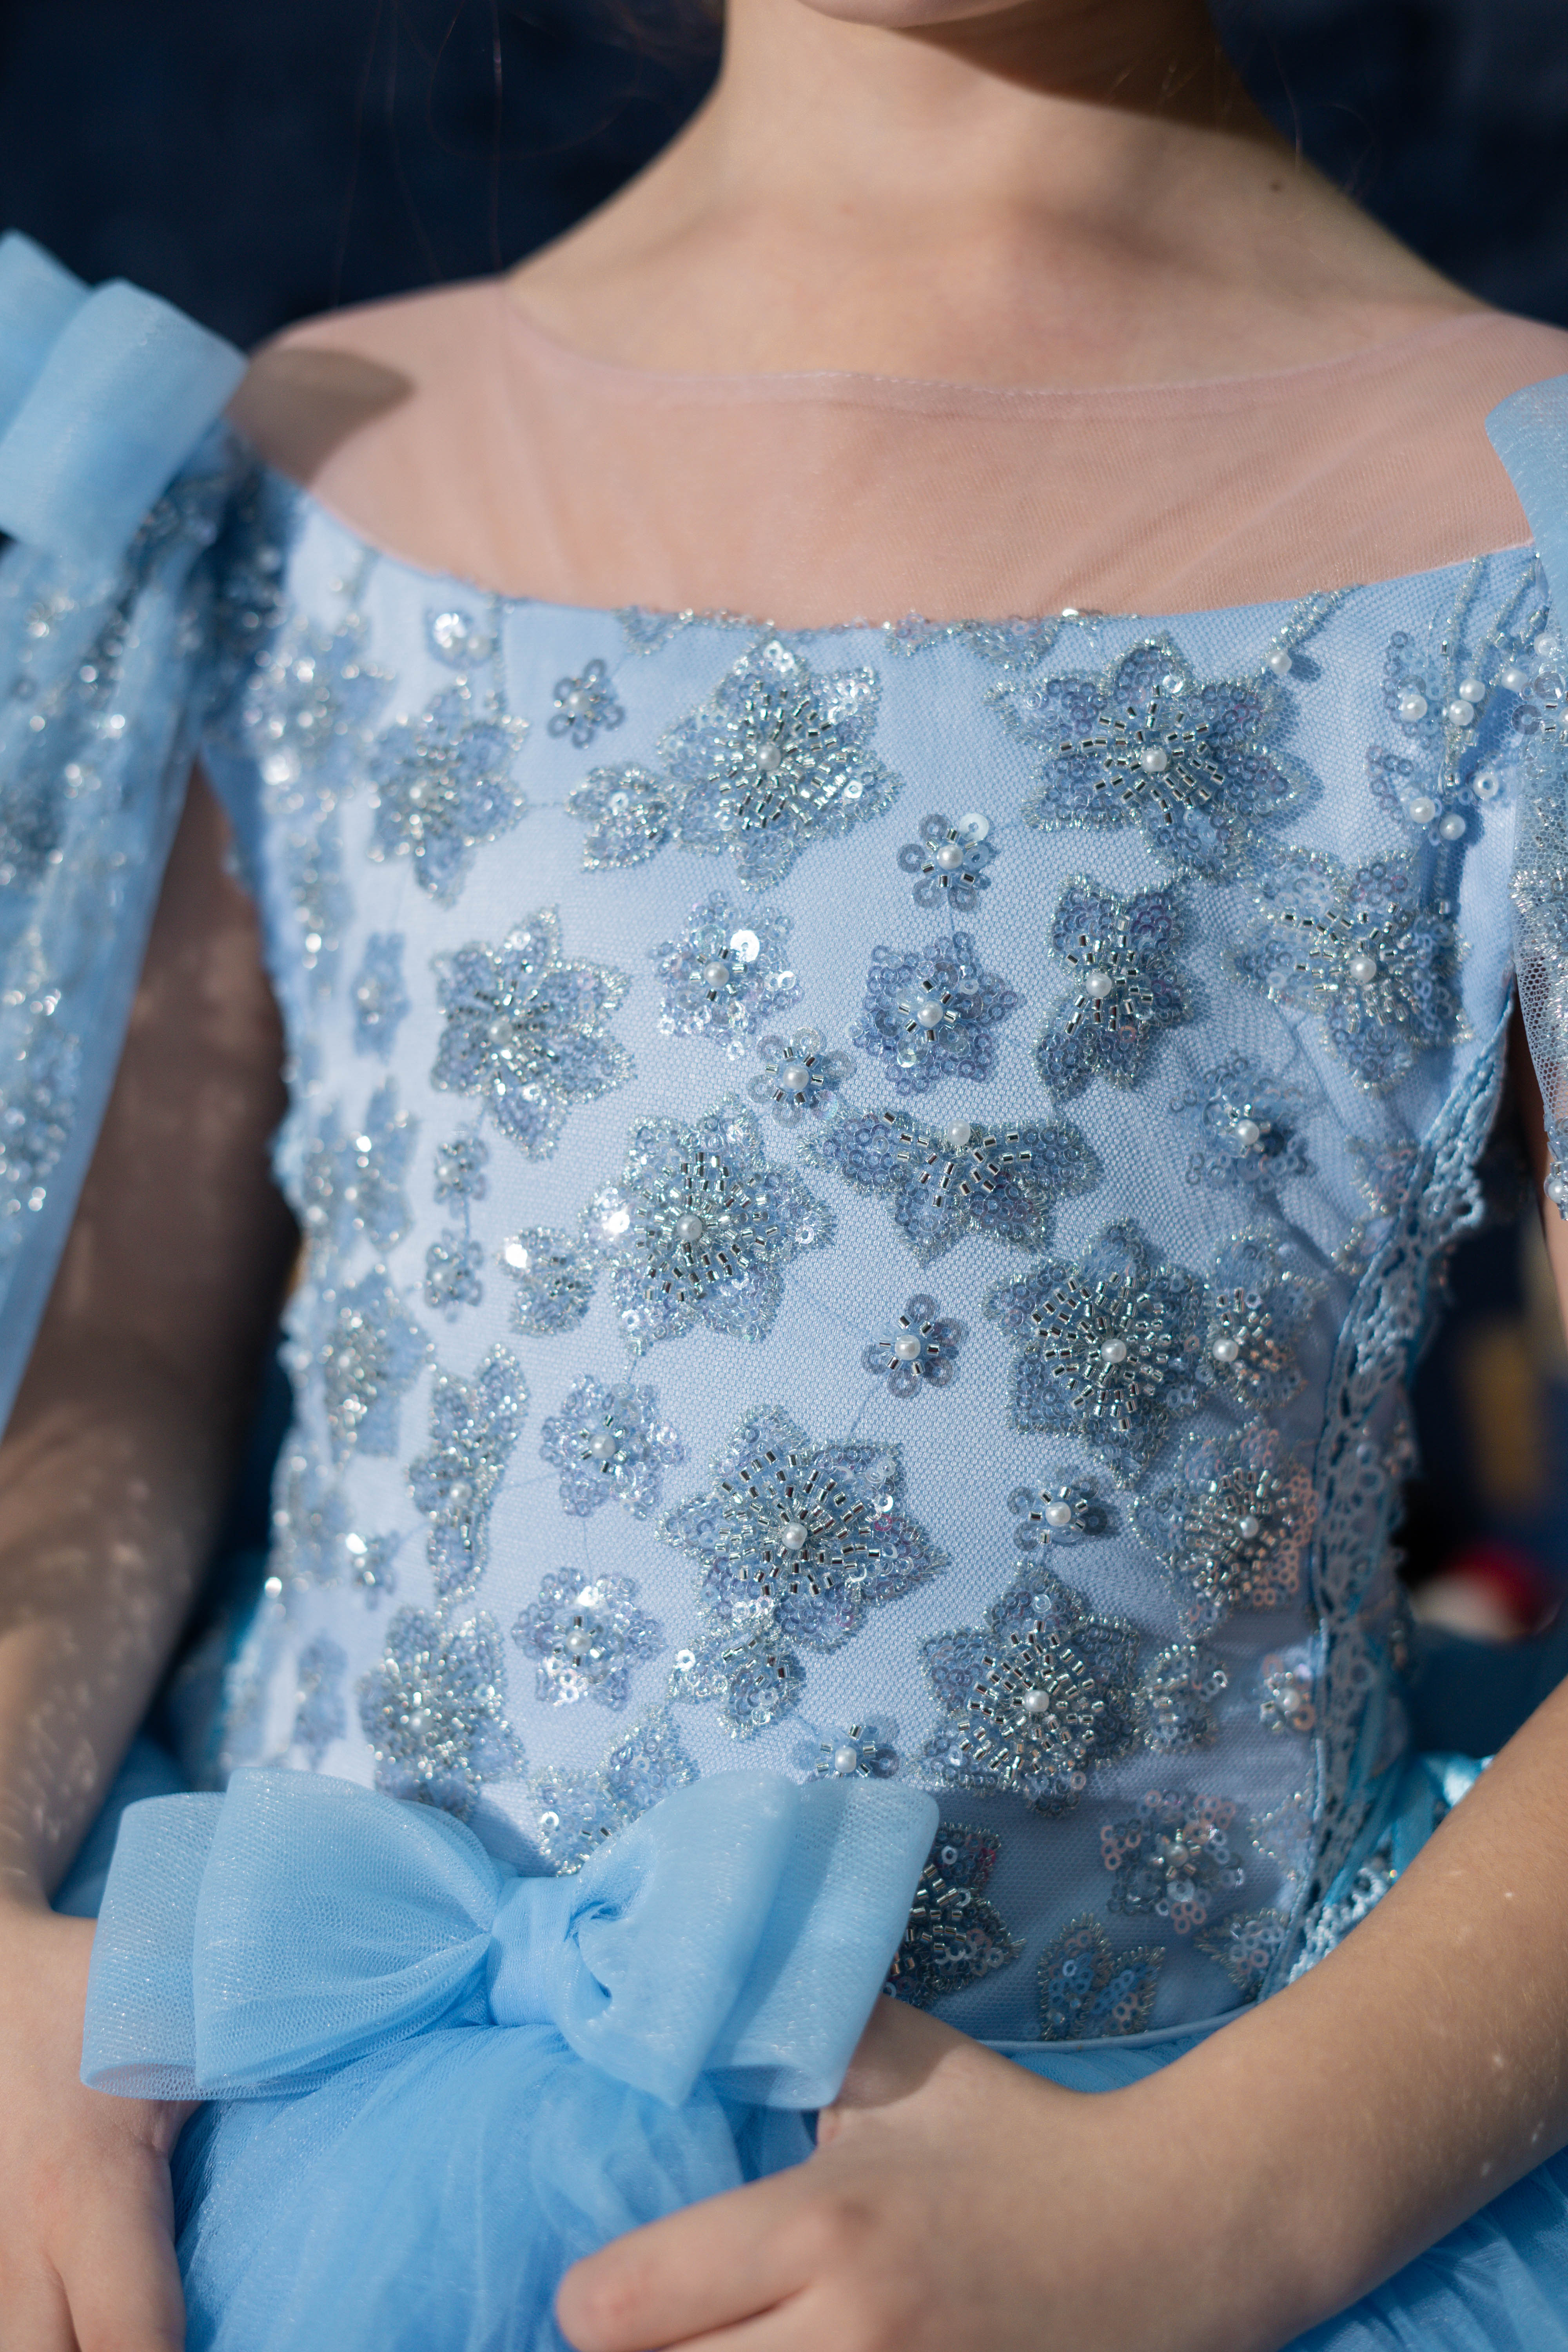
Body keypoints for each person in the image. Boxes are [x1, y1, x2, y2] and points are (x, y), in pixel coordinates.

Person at [6, 0, 1568, 2345]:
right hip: (264, 2158)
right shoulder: (311, 466)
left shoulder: (1516, 513)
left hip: (1153, 2193)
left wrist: (1206, 2221)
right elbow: (126, 1358)